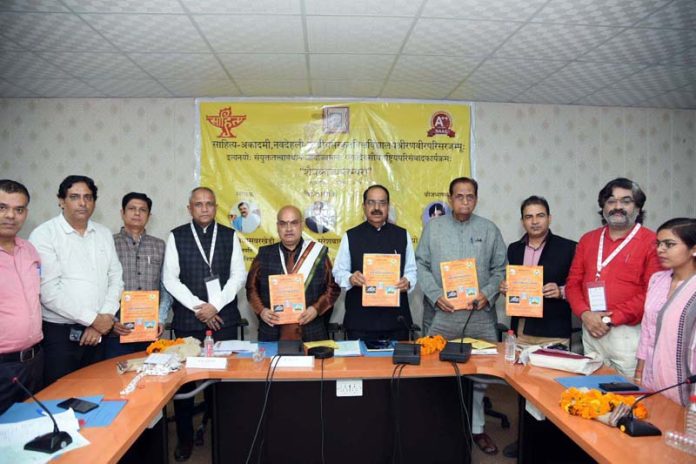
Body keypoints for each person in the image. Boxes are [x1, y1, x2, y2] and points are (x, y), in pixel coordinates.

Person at [415, 176, 506, 455]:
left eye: (470, 196)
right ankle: (438, 426)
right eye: (459, 196)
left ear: (476, 199)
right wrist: (435, 295)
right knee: (436, 371)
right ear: (450, 197)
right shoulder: (434, 229)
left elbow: (500, 270)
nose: (464, 201)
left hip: (479, 315)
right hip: (444, 314)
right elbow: (421, 264)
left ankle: (476, 429)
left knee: (479, 375)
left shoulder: (489, 230)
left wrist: (487, 294)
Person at [163, 186, 246, 461]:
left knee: (223, 383)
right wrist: (200, 308)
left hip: (224, 318)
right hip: (189, 320)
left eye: (209, 204)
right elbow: (170, 279)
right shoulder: (177, 236)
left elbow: (238, 276)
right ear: (189, 208)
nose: (204, 208)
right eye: (198, 204)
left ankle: (226, 435)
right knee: (185, 384)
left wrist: (215, 306)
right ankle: (185, 439)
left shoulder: (229, 235)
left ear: (216, 206)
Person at [29, 175, 123, 386]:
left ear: (94, 202)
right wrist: (93, 319)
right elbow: (49, 291)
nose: (82, 203)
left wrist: (103, 319)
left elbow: (116, 278)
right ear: (61, 200)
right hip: (60, 336)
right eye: (74, 197)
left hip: (99, 332)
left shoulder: (103, 233)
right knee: (61, 396)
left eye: (88, 197)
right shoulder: (44, 235)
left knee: (97, 392)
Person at [566, 178, 661, 378]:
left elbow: (652, 293)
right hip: (590, 327)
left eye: (626, 201)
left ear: (638, 207)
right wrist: (585, 314)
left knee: (627, 395)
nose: (617, 207)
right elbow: (572, 284)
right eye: (611, 201)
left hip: (627, 332)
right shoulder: (588, 239)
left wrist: (610, 318)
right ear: (603, 207)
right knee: (592, 391)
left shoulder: (652, 242)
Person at [333, 185, 417, 341]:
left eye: (382, 203)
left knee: (398, 365)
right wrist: (351, 278)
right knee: (361, 365)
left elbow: (411, 271)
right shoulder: (351, 236)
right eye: (371, 203)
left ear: (388, 206)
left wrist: (408, 282)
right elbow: (338, 272)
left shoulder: (402, 235)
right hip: (360, 322)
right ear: (364, 206)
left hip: (396, 321)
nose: (377, 208)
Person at [246, 205, 340, 341]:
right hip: (272, 330)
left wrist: (316, 309)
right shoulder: (264, 254)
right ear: (277, 226)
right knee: (270, 363)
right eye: (283, 224)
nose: (289, 229)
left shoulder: (318, 254)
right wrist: (262, 310)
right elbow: (251, 288)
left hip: (311, 330)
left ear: (302, 225)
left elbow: (333, 287)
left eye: (294, 223)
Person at [635, 218, 696, 405]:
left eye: (669, 244)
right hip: (651, 375)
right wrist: (639, 373)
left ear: (693, 249)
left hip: (685, 376)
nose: (660, 250)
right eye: (659, 244)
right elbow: (647, 330)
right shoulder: (657, 280)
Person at [501, 196, 577, 346]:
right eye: (529, 217)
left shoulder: (569, 248)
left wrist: (562, 291)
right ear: (522, 221)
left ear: (549, 218)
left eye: (540, 216)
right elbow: (515, 285)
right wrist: (507, 288)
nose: (534, 221)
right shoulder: (514, 249)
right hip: (521, 330)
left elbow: (581, 286)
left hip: (554, 332)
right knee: (518, 370)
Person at [105, 192, 172, 359]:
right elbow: (99, 287)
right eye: (132, 209)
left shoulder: (159, 245)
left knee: (150, 379)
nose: (137, 213)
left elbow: (166, 287)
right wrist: (111, 321)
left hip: (150, 331)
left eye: (142, 210)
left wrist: (161, 319)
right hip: (116, 332)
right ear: (122, 213)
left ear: (149, 216)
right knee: (117, 379)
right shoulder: (108, 243)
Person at [0, 180, 43, 414]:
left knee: (32, 431)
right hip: (2, 365)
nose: (10, 216)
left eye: (19, 209)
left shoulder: (29, 250)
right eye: (2, 207)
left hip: (34, 361)